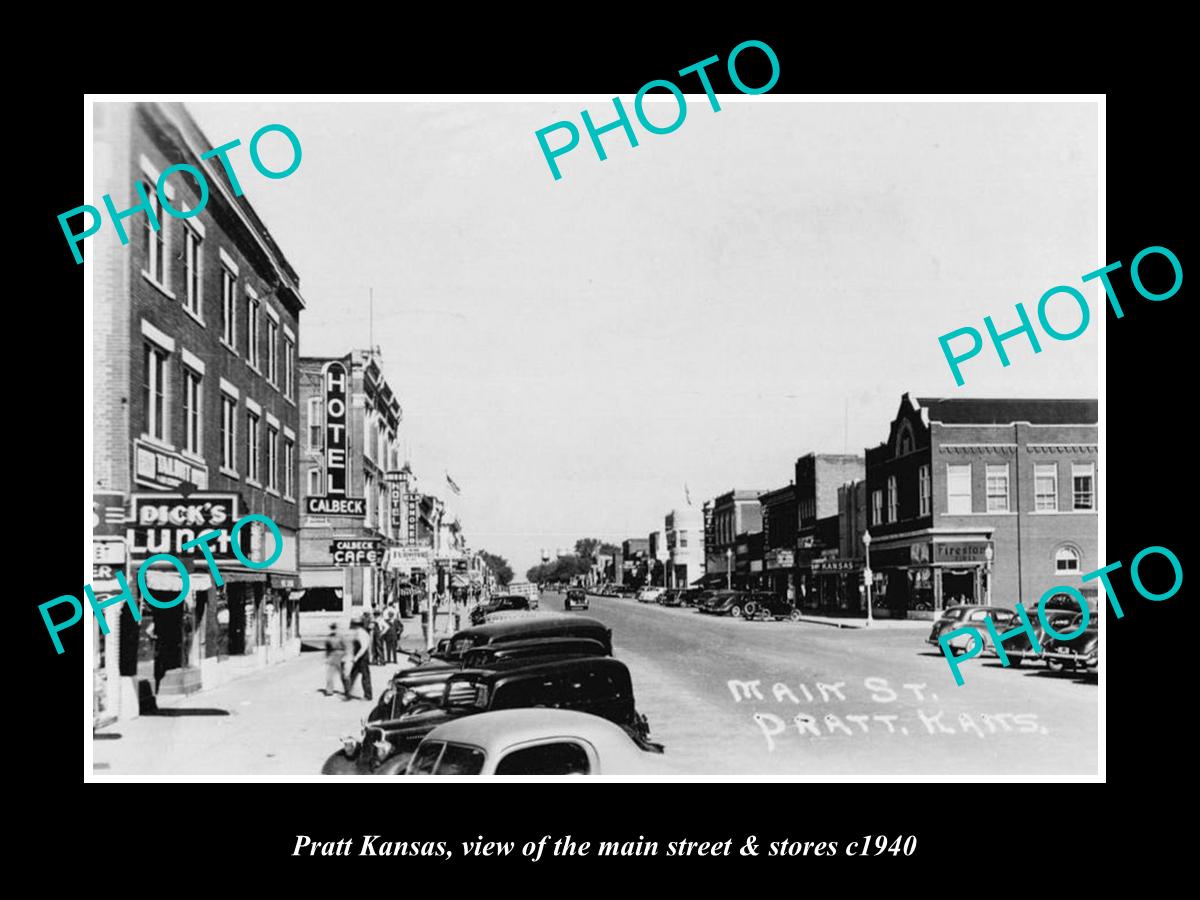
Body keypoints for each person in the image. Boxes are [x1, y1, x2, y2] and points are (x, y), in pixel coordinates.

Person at [344, 618, 372, 701]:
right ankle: (348, 692)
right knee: (353, 674)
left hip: (362, 658)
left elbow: (363, 647)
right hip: (360, 657)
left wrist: (356, 658)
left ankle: (368, 695)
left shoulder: (361, 633)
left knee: (365, 676)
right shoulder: (359, 632)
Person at [323, 623, 346, 696]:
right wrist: (327, 657)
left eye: (334, 628)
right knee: (330, 674)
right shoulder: (329, 638)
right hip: (332, 655)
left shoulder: (341, 637)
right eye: (332, 628)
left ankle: (347, 689)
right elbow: (327, 648)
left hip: (340, 654)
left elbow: (345, 647)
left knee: (343, 674)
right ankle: (329, 690)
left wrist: (345, 657)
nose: (333, 630)